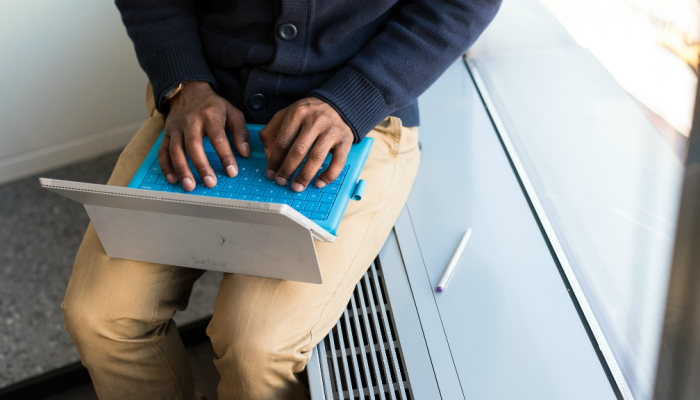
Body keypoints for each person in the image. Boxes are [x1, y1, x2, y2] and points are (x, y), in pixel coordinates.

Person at [61, 0, 501, 398]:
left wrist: (355, 100)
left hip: (359, 115)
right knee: (99, 317)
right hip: (201, 98)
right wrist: (185, 85)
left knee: (256, 347)